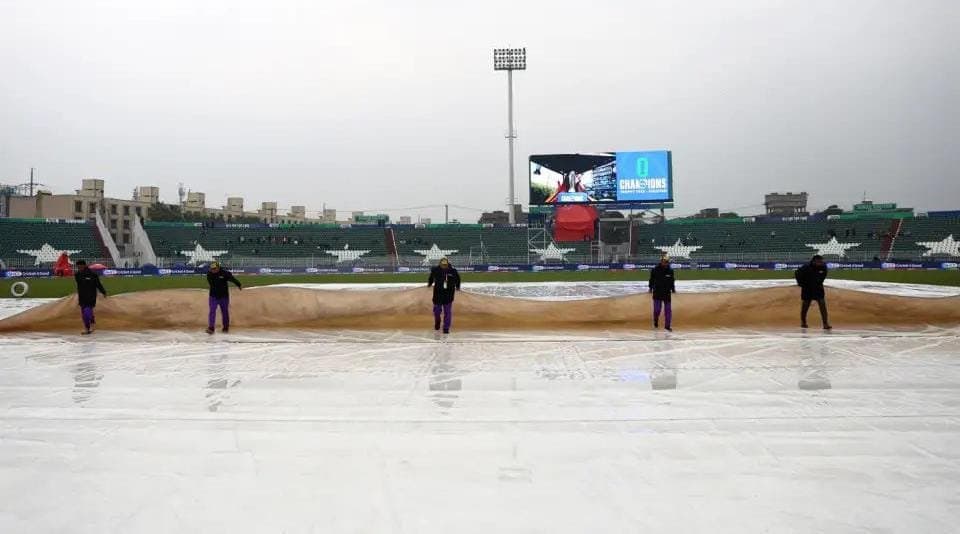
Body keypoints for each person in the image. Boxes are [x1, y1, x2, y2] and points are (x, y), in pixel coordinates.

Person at [795, 255, 832, 329]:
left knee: (822, 304)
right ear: (814, 261)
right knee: (805, 305)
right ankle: (803, 322)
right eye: (819, 262)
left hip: (818, 288)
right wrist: (801, 284)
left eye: (821, 261)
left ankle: (825, 324)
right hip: (807, 288)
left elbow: (824, 275)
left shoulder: (823, 267)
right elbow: (797, 274)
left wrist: (819, 281)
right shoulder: (806, 267)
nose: (820, 263)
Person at [206, 261, 242, 334]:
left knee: (225, 312)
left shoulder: (225, 273)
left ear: (218, 267)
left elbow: (232, 279)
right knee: (212, 311)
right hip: (213, 296)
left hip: (224, 296)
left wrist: (238, 284)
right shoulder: (209, 274)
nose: (213, 270)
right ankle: (211, 328)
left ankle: (225, 327)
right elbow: (213, 284)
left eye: (214, 268)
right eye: (212, 269)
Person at [427, 257, 461, 334]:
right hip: (438, 294)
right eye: (443, 265)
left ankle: (446, 328)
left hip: (448, 294)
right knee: (437, 311)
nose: (444, 266)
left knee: (447, 312)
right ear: (440, 264)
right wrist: (429, 284)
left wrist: (458, 286)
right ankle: (437, 322)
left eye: (445, 265)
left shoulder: (453, 271)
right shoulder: (435, 270)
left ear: (447, 264)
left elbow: (458, 279)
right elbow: (431, 278)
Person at [74, 259, 107, 335]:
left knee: (86, 312)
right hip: (82, 296)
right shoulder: (77, 275)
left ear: (84, 265)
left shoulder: (92, 274)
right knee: (84, 313)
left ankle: (87, 328)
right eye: (78, 267)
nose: (79, 268)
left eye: (80, 267)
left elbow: (98, 284)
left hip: (91, 296)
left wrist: (103, 292)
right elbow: (79, 285)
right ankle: (91, 323)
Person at [649, 255, 676, 331]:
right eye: (664, 261)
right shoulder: (655, 270)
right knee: (657, 310)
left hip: (667, 293)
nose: (665, 263)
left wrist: (673, 289)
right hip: (657, 292)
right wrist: (650, 288)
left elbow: (672, 281)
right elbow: (651, 279)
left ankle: (667, 326)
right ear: (661, 261)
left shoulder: (670, 271)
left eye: (667, 262)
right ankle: (655, 321)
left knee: (668, 310)